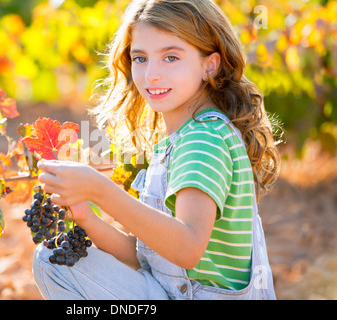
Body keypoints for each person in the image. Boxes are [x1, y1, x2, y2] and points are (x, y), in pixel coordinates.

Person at [32, 0, 280, 300]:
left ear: (209, 65)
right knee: (55, 253)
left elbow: (186, 249)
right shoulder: (186, 138)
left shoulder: (204, 140)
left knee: (50, 261)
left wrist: (100, 190)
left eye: (171, 57)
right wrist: (86, 217)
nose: (151, 74)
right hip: (174, 292)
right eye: (140, 58)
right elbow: (149, 259)